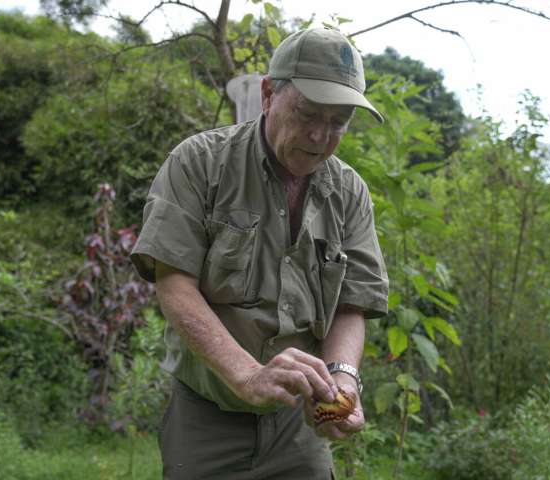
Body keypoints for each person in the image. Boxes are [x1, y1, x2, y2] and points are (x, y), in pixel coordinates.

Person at [130, 28, 389, 479]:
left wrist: (343, 378)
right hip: (206, 416)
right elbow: (175, 285)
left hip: (298, 425)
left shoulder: (349, 193)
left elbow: (353, 305)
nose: (319, 135)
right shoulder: (199, 164)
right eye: (308, 112)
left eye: (338, 122)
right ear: (269, 93)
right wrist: (247, 374)